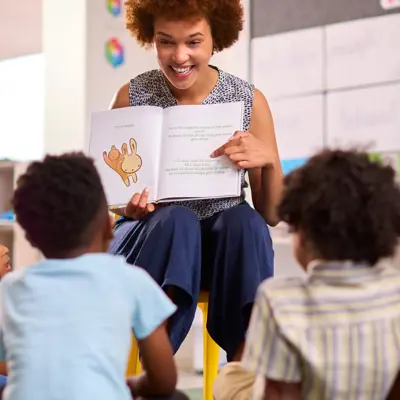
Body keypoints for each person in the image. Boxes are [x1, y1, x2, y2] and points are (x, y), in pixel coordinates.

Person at [108, 0, 282, 362]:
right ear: (151, 39)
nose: (179, 56)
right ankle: (157, 369)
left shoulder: (248, 100)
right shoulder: (131, 96)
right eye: (166, 42)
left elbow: (272, 213)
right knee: (178, 220)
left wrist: (266, 162)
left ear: (215, 39)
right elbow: (112, 200)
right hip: (153, 239)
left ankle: (242, 366)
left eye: (193, 42)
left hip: (221, 245)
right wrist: (130, 206)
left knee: (245, 221)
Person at [213, 148, 400, 399]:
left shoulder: (280, 300)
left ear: (304, 233)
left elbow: (277, 394)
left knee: (229, 376)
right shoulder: (395, 291)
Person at [0, 153, 183, 400]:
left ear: (31, 238)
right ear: (109, 226)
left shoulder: (9, 288)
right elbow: (163, 381)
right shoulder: (132, 280)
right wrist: (132, 385)